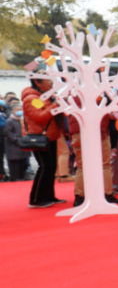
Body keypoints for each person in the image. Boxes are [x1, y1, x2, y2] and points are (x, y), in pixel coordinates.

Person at [22, 78, 67, 207]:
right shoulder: (32, 98)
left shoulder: (49, 96)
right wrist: (55, 105)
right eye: (48, 80)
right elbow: (38, 117)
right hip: (39, 137)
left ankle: (49, 196)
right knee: (45, 167)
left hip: (50, 136)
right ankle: (36, 199)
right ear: (38, 82)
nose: (52, 82)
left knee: (51, 167)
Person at [67, 99, 118, 207]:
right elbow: (108, 115)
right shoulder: (97, 96)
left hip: (77, 132)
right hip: (98, 132)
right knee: (105, 165)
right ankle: (108, 194)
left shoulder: (71, 97)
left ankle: (79, 197)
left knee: (81, 166)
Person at [4, 102, 30, 181]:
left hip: (24, 143)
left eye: (21, 109)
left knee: (23, 161)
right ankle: (15, 178)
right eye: (17, 110)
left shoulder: (23, 120)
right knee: (14, 162)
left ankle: (21, 177)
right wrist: (15, 140)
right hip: (13, 144)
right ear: (12, 111)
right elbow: (7, 132)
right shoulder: (10, 121)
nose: (20, 111)